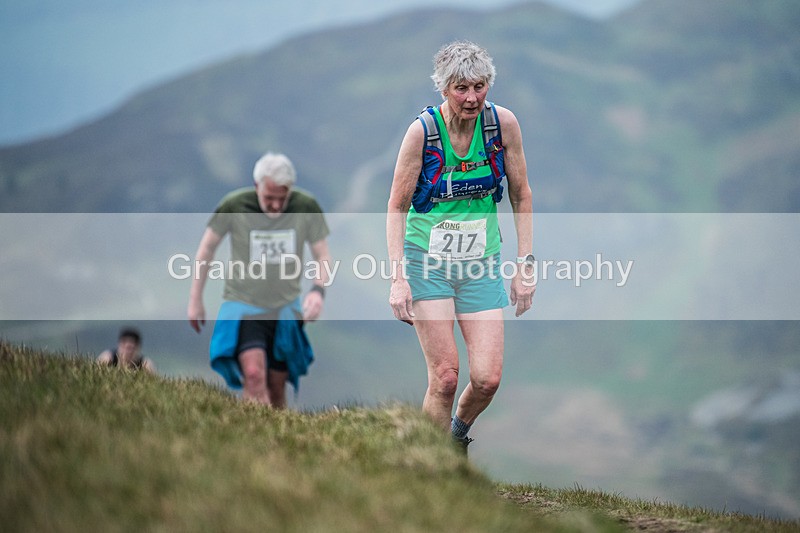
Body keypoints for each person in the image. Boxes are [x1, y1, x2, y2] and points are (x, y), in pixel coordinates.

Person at [386, 41, 535, 454]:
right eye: (461, 88)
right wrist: (398, 278)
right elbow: (396, 206)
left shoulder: (502, 125)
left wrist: (525, 265)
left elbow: (521, 194)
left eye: (479, 87)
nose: (472, 98)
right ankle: (429, 468)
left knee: (487, 379)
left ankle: (454, 437)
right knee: (446, 377)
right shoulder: (423, 133)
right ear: (443, 88)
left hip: (480, 264)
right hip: (426, 262)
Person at [188, 152, 331, 408]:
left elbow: (323, 256)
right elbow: (207, 249)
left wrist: (317, 292)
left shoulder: (306, 206)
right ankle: (251, 430)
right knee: (254, 375)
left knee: (276, 387)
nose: (276, 205)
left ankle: (274, 433)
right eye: (269, 198)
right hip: (243, 304)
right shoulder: (234, 205)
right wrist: (195, 298)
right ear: (257, 186)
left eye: (282, 198)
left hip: (285, 308)